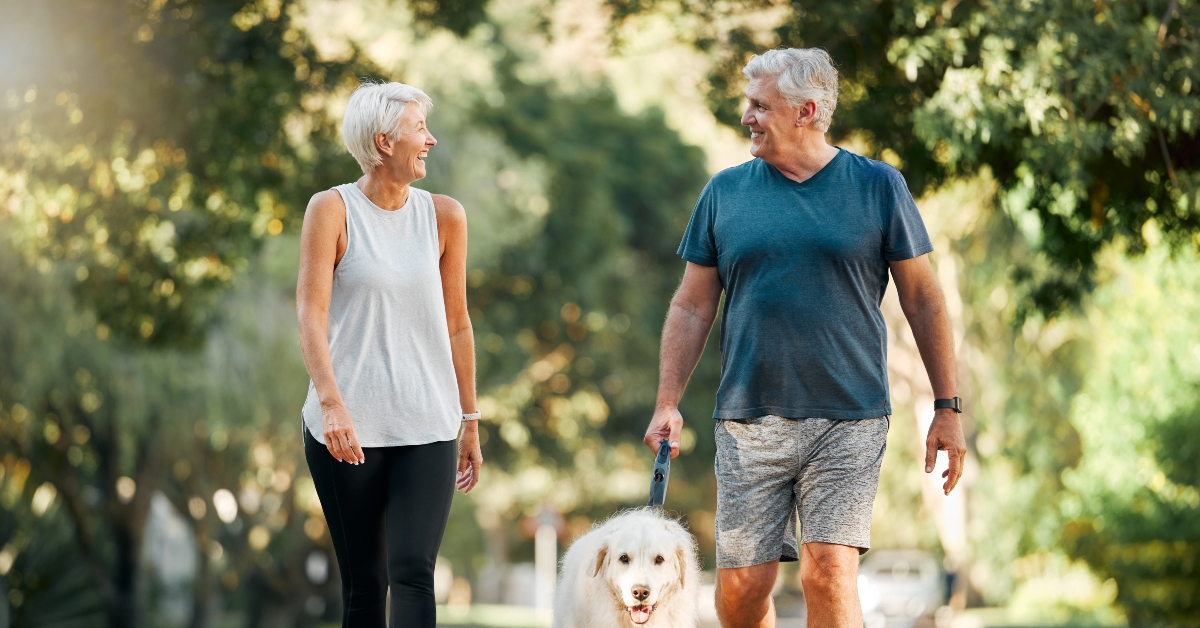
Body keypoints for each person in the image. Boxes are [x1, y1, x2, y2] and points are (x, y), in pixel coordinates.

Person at [643, 48, 967, 628]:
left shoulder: (876, 186)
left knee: (828, 572)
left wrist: (947, 406)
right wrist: (668, 400)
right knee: (743, 591)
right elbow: (692, 307)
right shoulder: (725, 192)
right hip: (748, 418)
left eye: (760, 106)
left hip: (849, 415)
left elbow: (923, 297)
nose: (747, 117)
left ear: (805, 111)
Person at [296, 81, 483, 627]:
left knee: (412, 572)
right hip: (346, 428)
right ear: (383, 141)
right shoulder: (331, 210)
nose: (431, 140)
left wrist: (469, 420)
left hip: (426, 424)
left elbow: (458, 324)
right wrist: (332, 405)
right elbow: (310, 314)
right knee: (364, 583)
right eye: (419, 129)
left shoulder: (444, 216)